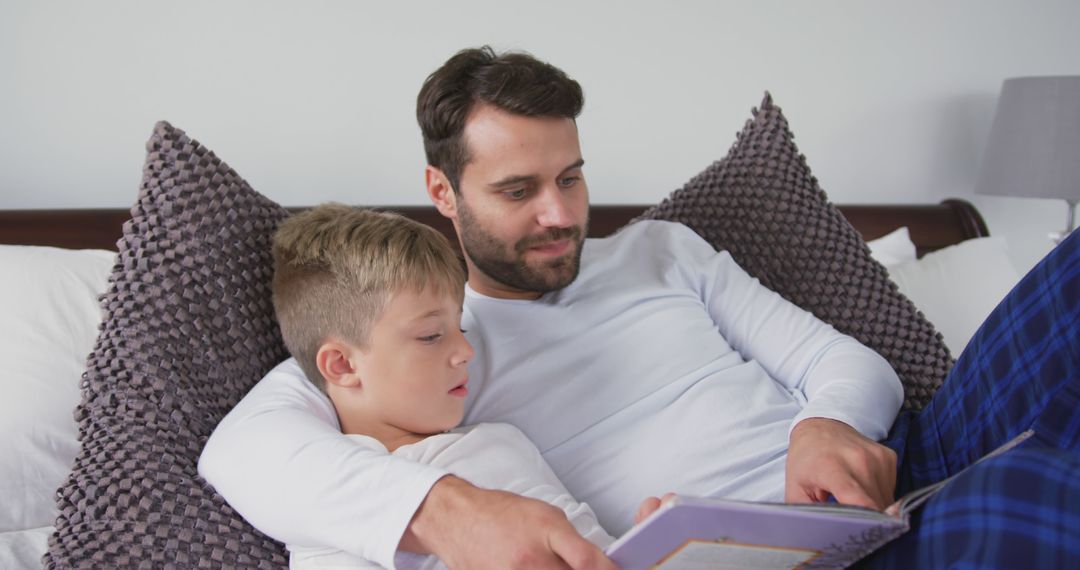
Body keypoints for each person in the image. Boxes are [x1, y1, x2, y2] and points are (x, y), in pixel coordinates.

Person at [200, 47, 1080, 569]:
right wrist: (450, 510)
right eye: (519, 189)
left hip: (895, 463)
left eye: (571, 177)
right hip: (767, 556)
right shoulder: (417, 342)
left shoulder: (664, 250)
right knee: (1024, 491)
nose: (561, 214)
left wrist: (826, 426)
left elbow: (850, 365)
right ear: (442, 190)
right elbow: (241, 452)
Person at [259, 203, 615, 569]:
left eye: (459, 328)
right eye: (431, 336)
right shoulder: (336, 515)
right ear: (343, 364)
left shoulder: (502, 440)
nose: (465, 351)